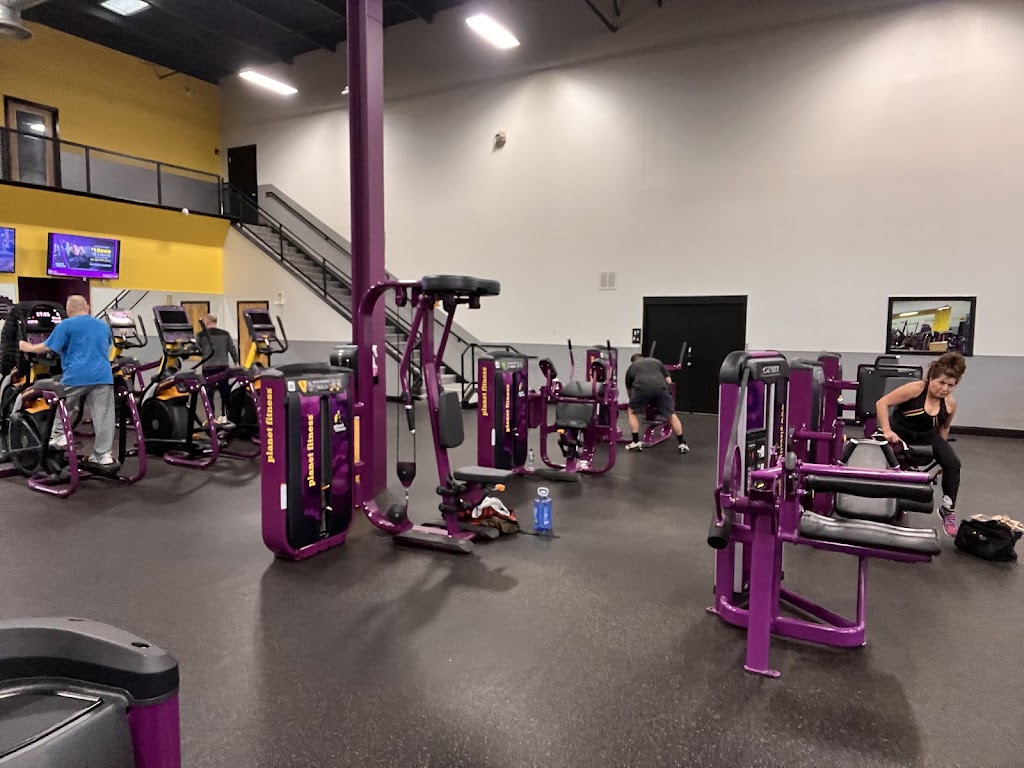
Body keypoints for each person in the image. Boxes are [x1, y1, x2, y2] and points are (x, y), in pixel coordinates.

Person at [17, 295, 116, 467]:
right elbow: (103, 346)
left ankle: (58, 435)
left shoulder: (66, 325)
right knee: (104, 415)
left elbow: (47, 347)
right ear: (88, 307)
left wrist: (28, 347)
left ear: (69, 310)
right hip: (103, 375)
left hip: (77, 375)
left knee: (62, 403)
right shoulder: (102, 325)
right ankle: (103, 454)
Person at [876, 351, 966, 537]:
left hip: (926, 435)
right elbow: (882, 403)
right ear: (931, 378)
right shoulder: (916, 389)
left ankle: (948, 509)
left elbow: (944, 428)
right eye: (941, 383)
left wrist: (942, 454)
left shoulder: (950, 404)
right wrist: (887, 430)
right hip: (900, 431)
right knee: (889, 459)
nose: (945, 388)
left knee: (953, 463)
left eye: (950, 385)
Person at [623, 353, 688, 453]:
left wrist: (633, 402)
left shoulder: (632, 367)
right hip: (660, 388)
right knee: (671, 415)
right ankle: (682, 444)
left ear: (633, 361)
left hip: (641, 388)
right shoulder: (657, 362)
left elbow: (629, 390)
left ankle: (635, 442)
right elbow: (669, 381)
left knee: (632, 412)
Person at [196, 313, 239, 425]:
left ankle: (211, 417)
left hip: (208, 367)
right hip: (223, 367)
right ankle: (225, 415)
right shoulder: (225, 334)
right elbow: (232, 349)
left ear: (207, 321)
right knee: (225, 393)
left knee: (209, 394)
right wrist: (236, 362)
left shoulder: (201, 335)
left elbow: (197, 349)